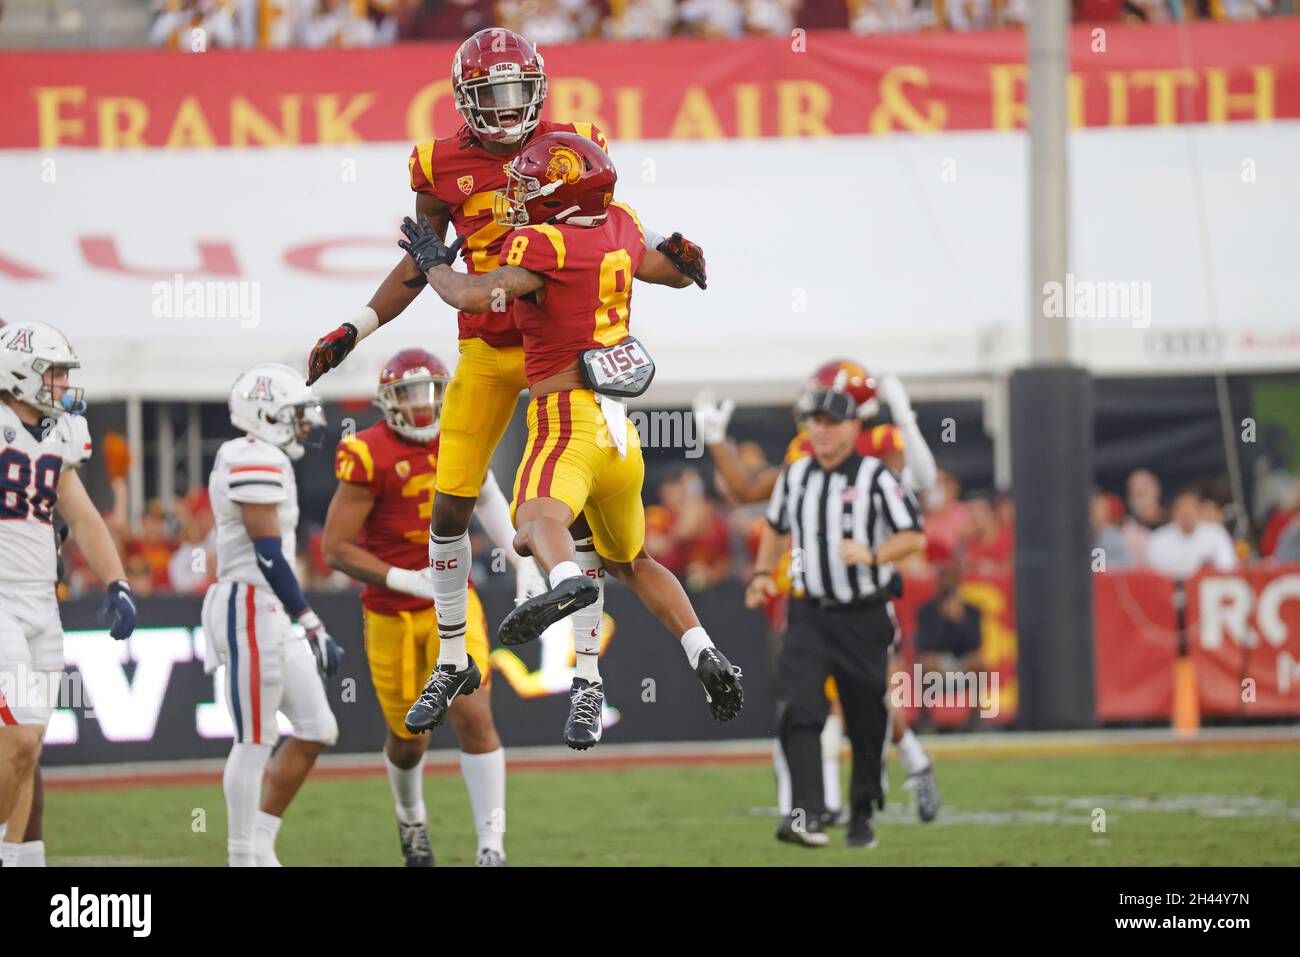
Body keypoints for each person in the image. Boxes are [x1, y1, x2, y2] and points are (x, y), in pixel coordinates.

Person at [303, 28, 706, 736]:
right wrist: (358, 326)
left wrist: (670, 260)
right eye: (490, 96)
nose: (505, 110)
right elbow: (421, 264)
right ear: (463, 100)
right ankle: (456, 654)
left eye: (518, 91)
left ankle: (586, 677)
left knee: (578, 522)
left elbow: (607, 231)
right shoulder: (439, 164)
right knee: (450, 508)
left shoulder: (571, 143)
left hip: (562, 351)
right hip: (489, 348)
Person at [398, 130, 743, 748]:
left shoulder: (545, 241)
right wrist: (691, 259)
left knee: (532, 524)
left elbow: (472, 294)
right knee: (632, 562)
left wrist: (433, 262)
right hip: (621, 432)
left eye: (533, 184)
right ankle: (705, 652)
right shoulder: (620, 224)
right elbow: (673, 272)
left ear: (562, 188)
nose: (521, 193)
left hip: (568, 417)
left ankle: (564, 585)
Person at [322, 348, 545, 867]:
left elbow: (487, 497)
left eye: (430, 393)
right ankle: (411, 819)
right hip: (390, 613)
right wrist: (406, 579)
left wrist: (523, 562)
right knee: (407, 740)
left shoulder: (458, 435)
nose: (422, 406)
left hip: (455, 598)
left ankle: (491, 846)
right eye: (409, 395)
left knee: (474, 712)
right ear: (387, 401)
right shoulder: (367, 452)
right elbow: (336, 547)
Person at [694, 361, 939, 826]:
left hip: (865, 593)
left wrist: (905, 418)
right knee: (813, 703)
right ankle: (822, 803)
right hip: (808, 595)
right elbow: (750, 490)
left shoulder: (880, 446)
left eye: (826, 405)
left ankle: (908, 766)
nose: (816, 421)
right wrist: (714, 439)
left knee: (865, 701)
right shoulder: (807, 450)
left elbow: (922, 485)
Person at [747, 383, 927, 849]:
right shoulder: (796, 474)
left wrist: (873, 553)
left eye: (830, 422)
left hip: (864, 616)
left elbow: (913, 537)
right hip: (807, 612)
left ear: (853, 426)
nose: (821, 431)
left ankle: (863, 810)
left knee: (866, 718)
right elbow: (774, 525)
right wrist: (764, 573)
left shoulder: (876, 477)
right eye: (814, 422)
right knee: (798, 707)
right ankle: (806, 811)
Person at [0, 320, 136, 868]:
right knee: (19, 743)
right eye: (52, 373)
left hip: (41, 601)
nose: (60, 384)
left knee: (28, 750)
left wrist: (117, 581)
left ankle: (22, 861)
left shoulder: (60, 433)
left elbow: (81, 516)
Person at [200, 363, 342, 867]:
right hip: (249, 604)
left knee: (316, 727)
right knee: (255, 738)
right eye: (295, 414)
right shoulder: (251, 457)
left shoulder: (260, 455)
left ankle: (260, 838)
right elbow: (267, 553)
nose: (306, 424)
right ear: (268, 414)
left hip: (268, 607)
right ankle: (242, 857)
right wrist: (312, 621)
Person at [1146, 486, 1238, 579]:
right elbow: (1153, 573)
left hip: (1206, 588)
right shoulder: (1158, 538)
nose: (1186, 511)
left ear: (1199, 509)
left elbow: (1227, 566)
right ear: (1173, 511)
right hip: (1170, 589)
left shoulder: (1216, 533)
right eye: (1181, 506)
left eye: (1191, 506)